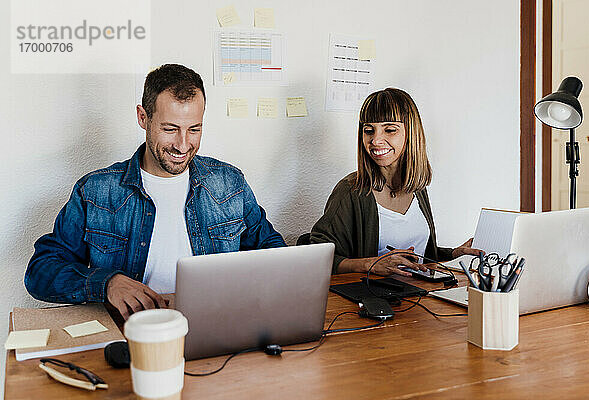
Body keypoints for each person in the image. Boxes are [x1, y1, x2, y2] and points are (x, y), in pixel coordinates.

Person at [25, 64, 286, 319]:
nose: (183, 145)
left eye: (194, 129)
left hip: (217, 325)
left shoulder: (230, 184)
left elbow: (274, 252)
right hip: (134, 333)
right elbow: (40, 272)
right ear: (143, 117)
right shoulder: (95, 191)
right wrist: (107, 283)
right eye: (170, 129)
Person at [310, 88, 479, 275]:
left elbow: (420, 256)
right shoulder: (351, 191)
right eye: (368, 130)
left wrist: (455, 253)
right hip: (376, 300)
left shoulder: (418, 189)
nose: (375, 140)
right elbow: (318, 258)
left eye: (389, 130)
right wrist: (370, 264)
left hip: (424, 296)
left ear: (411, 134)